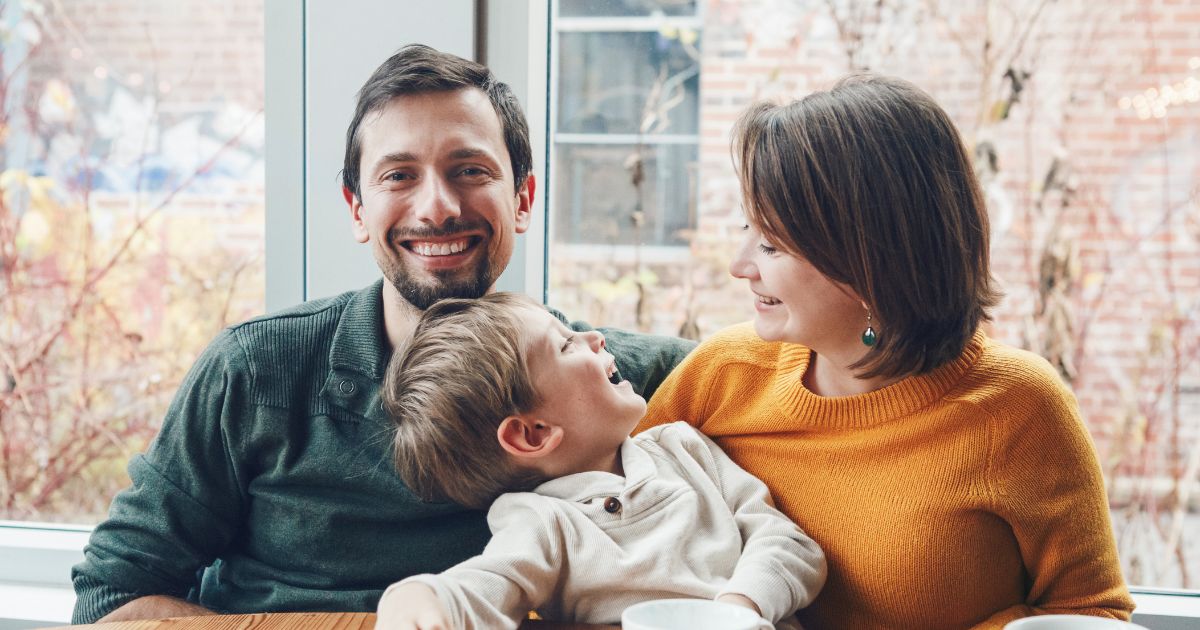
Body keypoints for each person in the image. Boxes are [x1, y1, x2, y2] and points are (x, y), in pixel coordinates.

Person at [70, 44, 694, 624]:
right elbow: (116, 594)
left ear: (523, 198)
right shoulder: (255, 370)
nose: (438, 207)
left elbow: (786, 377)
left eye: (470, 169)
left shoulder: (629, 381)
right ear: (357, 210)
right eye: (399, 176)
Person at [636, 74, 1136, 630]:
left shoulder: (1020, 408)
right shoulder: (723, 372)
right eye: (745, 228)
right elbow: (605, 521)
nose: (739, 264)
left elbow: (1093, 615)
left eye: (770, 242)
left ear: (870, 256)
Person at [373, 292, 826, 630]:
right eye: (566, 345)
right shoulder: (542, 520)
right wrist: (422, 598)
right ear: (534, 434)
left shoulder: (684, 449)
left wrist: (740, 606)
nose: (594, 337)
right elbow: (493, 582)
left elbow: (787, 543)